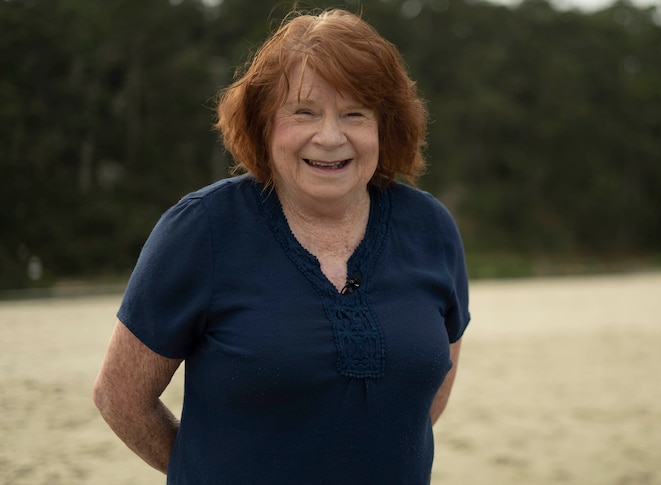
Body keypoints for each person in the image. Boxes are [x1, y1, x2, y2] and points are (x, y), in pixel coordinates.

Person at [92, 9, 470, 484]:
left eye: (355, 113)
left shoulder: (430, 228)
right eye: (304, 112)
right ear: (264, 123)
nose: (330, 136)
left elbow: (428, 396)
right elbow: (120, 397)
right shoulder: (202, 230)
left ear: (385, 126)